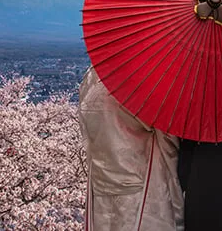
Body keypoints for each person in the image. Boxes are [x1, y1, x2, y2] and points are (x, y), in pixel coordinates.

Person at [77, 67, 184, 231]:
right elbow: (167, 135)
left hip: (101, 181)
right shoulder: (139, 80)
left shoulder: (90, 79)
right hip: (139, 181)